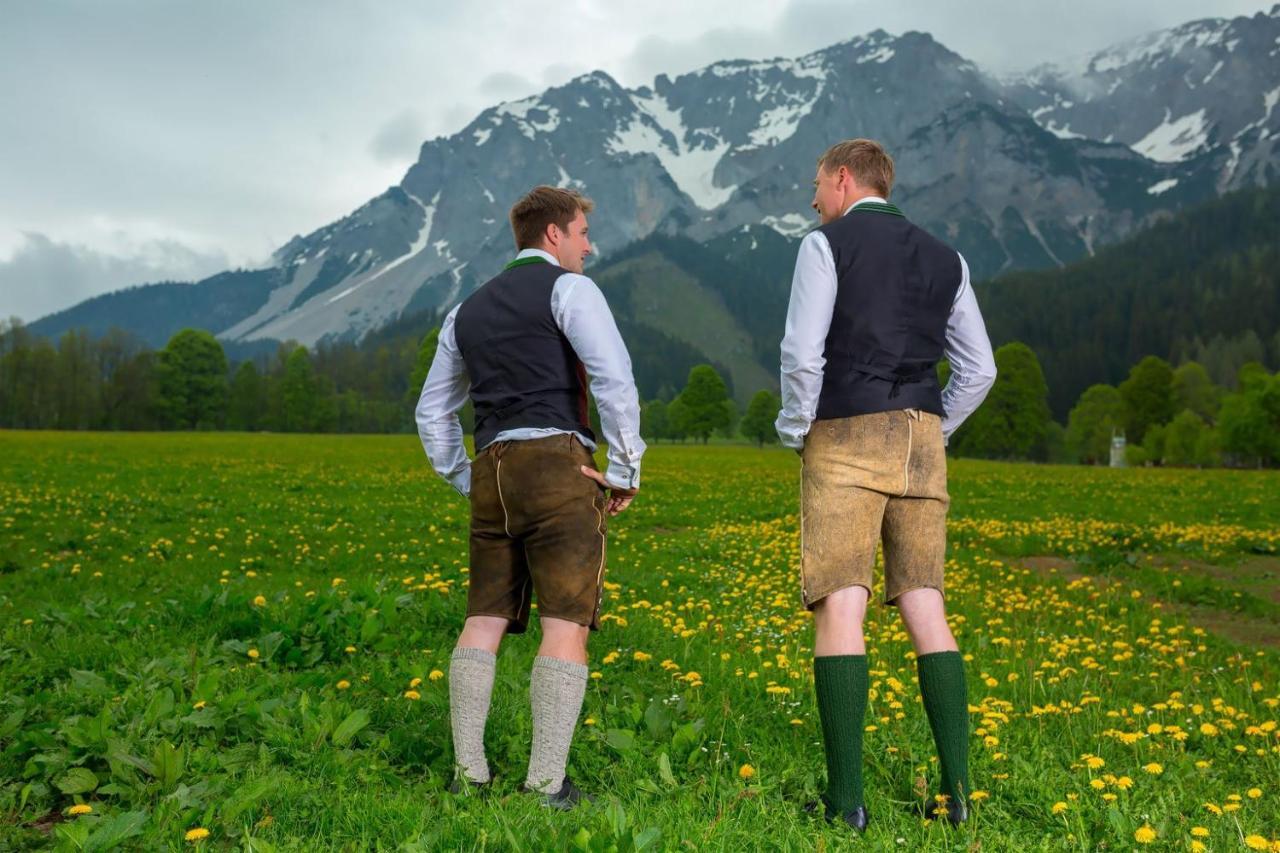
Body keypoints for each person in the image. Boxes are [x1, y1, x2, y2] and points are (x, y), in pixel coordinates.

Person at [775, 139, 997, 833]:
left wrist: (795, 428)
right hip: (922, 437)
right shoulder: (947, 257)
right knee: (925, 600)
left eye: (818, 185)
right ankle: (959, 796)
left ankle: (847, 804)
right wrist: (935, 426)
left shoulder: (825, 245)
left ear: (844, 179)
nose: (814, 199)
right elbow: (981, 368)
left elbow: (800, 353)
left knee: (842, 601)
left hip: (843, 430)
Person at [414, 185, 645, 809]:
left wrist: (467, 476)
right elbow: (613, 380)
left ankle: (469, 774)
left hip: (491, 467)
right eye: (581, 234)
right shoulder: (571, 291)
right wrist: (625, 468)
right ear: (553, 235)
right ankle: (546, 784)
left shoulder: (465, 310)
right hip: (557, 464)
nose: (588, 247)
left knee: (483, 618)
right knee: (566, 622)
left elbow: (432, 411)